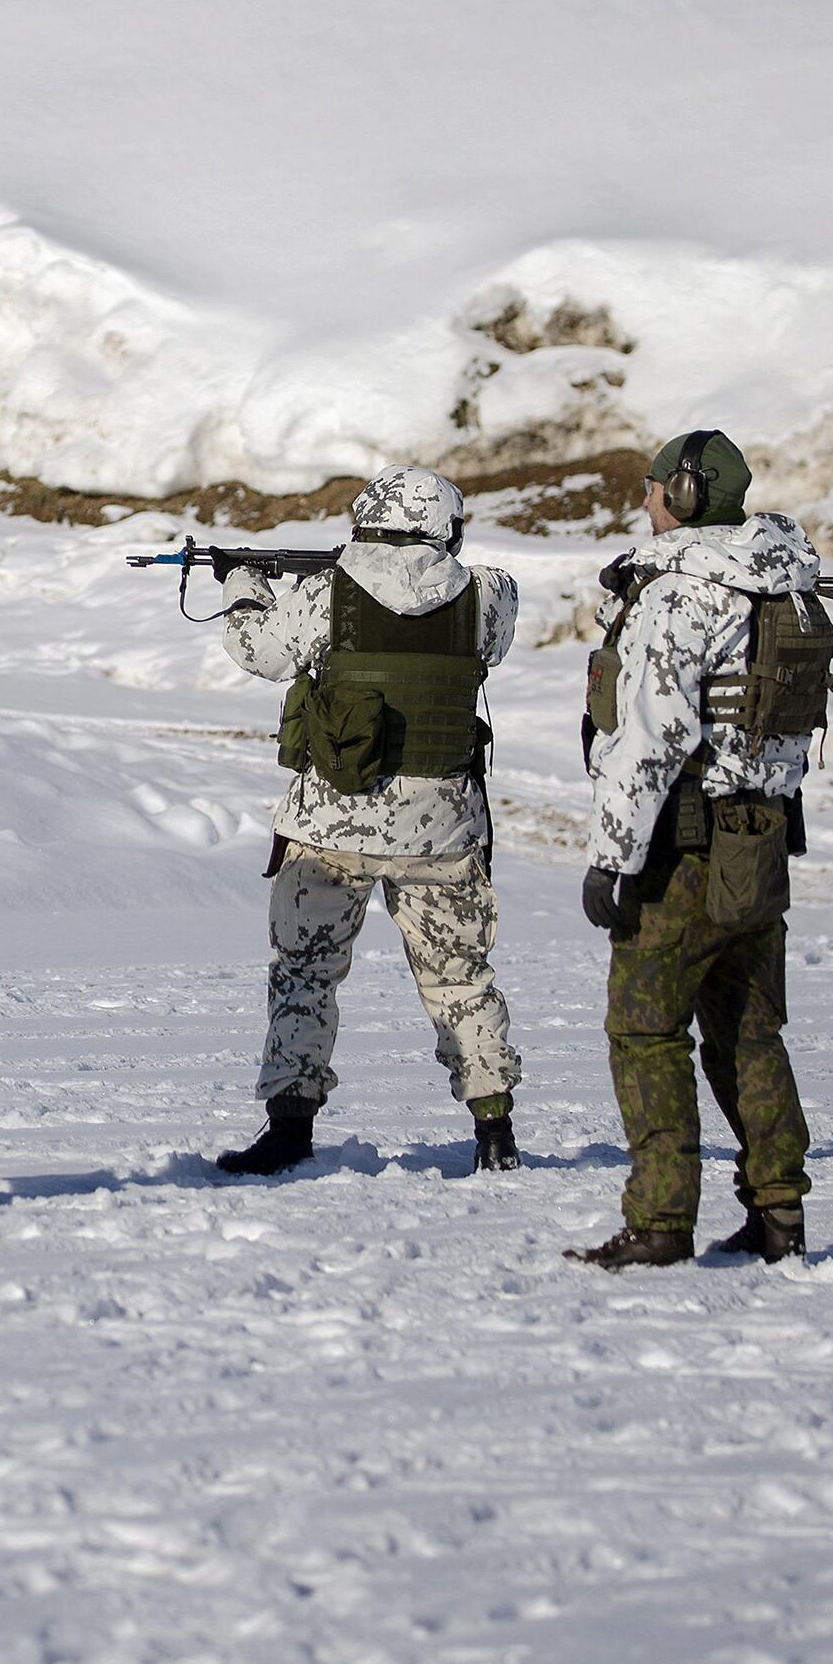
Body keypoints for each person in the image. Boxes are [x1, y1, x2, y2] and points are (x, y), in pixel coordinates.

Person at [209, 467, 525, 1177]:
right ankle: (494, 1128)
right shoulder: (489, 596)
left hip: (332, 830)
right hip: (442, 831)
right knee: (460, 981)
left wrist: (243, 584)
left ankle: (288, 1131)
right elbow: (473, 626)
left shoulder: (323, 595)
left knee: (304, 976)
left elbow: (258, 651)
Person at [570, 430, 830, 1268]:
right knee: (749, 1034)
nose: (645, 502)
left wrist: (612, 855)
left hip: (681, 846)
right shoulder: (786, 590)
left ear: (681, 494)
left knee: (644, 1031)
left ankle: (659, 1223)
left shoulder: (684, 595)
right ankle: (779, 1213)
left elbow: (652, 735)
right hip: (761, 840)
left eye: (652, 488)